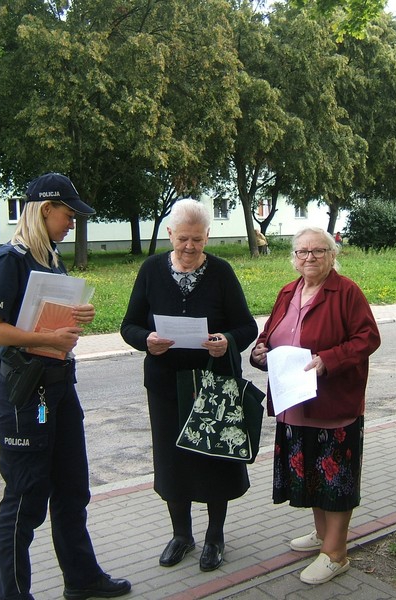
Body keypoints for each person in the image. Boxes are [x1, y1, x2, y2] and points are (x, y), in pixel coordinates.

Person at [0, 173, 131, 600]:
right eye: (68, 215)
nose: (72, 223)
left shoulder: (52, 257)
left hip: (58, 389)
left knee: (71, 488)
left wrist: (73, 317)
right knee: (26, 499)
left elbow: (43, 317)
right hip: (28, 396)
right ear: (46, 210)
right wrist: (46, 339)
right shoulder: (12, 258)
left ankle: (81, 580)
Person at [120, 199, 258, 572]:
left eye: (198, 239)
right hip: (165, 385)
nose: (190, 247)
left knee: (214, 458)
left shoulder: (222, 272)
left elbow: (247, 327)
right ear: (170, 235)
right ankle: (181, 535)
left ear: (207, 237)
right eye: (183, 239)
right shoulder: (151, 270)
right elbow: (128, 325)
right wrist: (146, 339)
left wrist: (227, 340)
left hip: (212, 384)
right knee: (172, 460)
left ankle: (215, 536)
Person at [249, 227, 381, 585]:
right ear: (294, 257)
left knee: (335, 478)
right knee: (311, 474)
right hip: (295, 402)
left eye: (319, 251)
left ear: (332, 255)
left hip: (332, 404)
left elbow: (368, 338)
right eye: (303, 251)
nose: (310, 257)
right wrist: (260, 352)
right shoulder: (288, 291)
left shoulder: (346, 292)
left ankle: (336, 553)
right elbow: (270, 334)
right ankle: (323, 535)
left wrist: (329, 360)